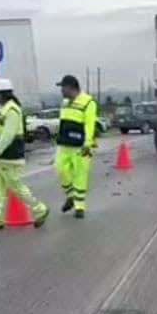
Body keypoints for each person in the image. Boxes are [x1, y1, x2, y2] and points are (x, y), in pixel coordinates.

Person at [0, 78, 49, 230]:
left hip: (9, 157)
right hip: (1, 158)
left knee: (17, 187)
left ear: (3, 94)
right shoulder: (5, 109)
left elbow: (7, 137)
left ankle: (40, 210)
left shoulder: (12, 111)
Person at [55, 75, 97, 219]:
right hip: (64, 144)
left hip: (80, 146)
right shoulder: (65, 102)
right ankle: (70, 196)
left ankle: (79, 207)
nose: (61, 90)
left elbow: (89, 124)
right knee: (61, 170)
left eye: (63, 87)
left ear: (71, 87)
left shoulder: (88, 102)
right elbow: (63, 121)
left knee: (80, 175)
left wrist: (87, 143)